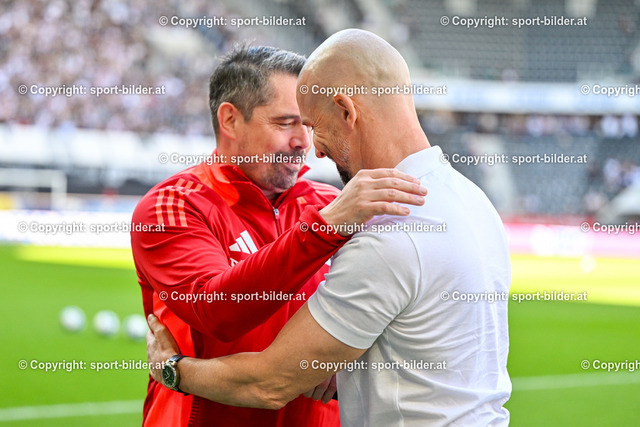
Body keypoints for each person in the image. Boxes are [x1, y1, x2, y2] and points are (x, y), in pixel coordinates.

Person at [146, 29, 512, 426]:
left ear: (346, 111)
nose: (309, 145)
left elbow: (272, 381)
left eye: (310, 125)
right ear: (230, 119)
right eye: (286, 123)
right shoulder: (175, 204)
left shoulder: (360, 214)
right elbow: (217, 312)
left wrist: (173, 369)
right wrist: (324, 229)